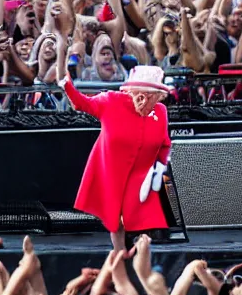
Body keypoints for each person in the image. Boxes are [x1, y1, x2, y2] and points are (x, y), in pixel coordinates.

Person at [58, 61, 171, 251]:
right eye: (144, 94)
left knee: (144, 217)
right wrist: (67, 84)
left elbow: (164, 143)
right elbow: (81, 103)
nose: (147, 101)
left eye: (153, 97)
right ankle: (120, 256)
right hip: (111, 171)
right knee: (115, 218)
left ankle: (138, 253)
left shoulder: (160, 111)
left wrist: (159, 170)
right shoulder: (110, 101)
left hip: (142, 175)